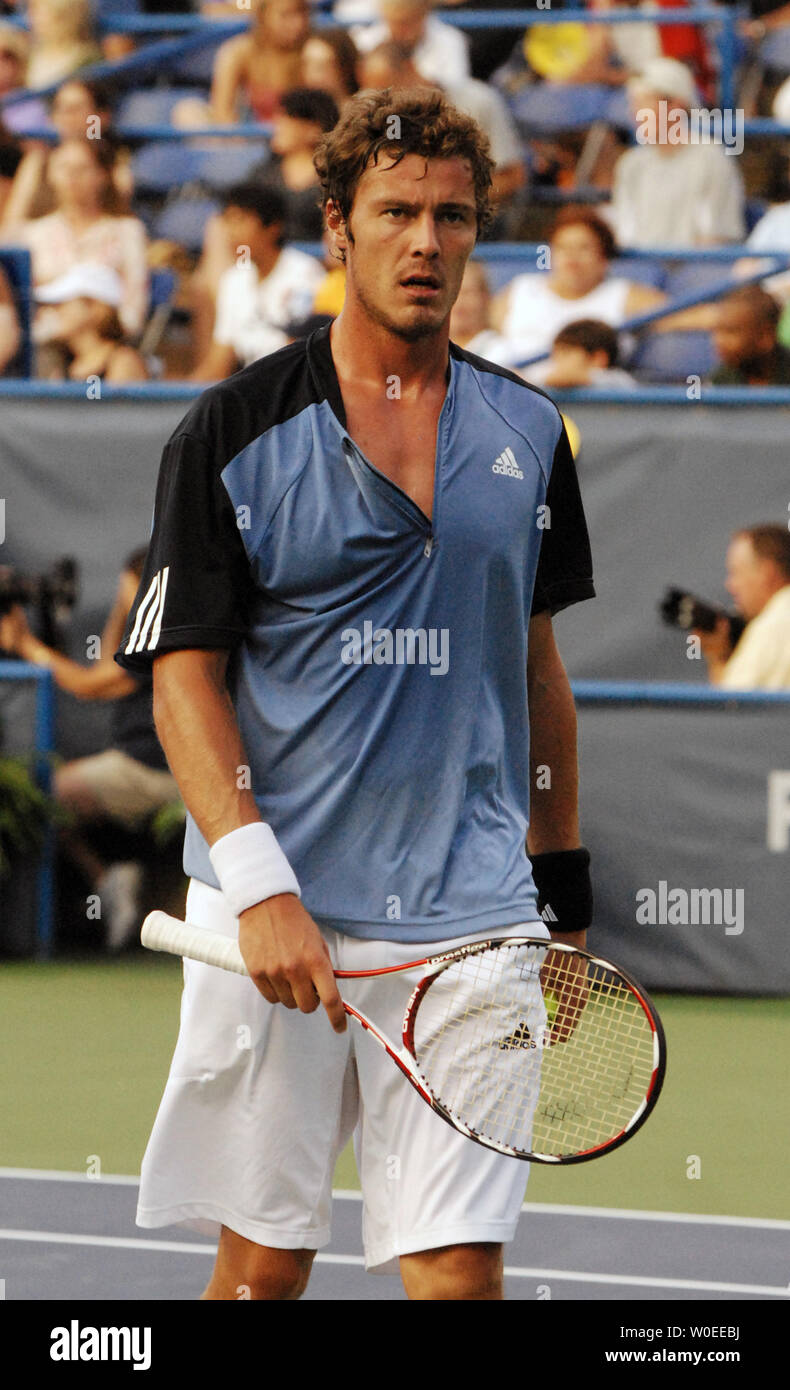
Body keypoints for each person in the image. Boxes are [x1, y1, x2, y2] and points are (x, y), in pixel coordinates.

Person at [115, 85, 595, 1301]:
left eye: (452, 216)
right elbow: (184, 683)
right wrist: (262, 881)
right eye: (395, 212)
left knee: (452, 1276)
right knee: (264, 1270)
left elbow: (535, 668)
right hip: (271, 907)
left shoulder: (532, 434)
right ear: (337, 224)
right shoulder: (226, 431)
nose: (425, 241)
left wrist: (562, 885)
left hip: (472, 914)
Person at [0, 548, 180, 950]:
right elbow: (105, 666)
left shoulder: (161, 632)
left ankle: (108, 883)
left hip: (155, 772)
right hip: (143, 766)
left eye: (130, 588)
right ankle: (111, 882)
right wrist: (122, 606)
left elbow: (88, 686)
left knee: (47, 794)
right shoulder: (145, 626)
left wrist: (28, 646)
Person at [4, 137, 149, 342]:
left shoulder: (128, 230)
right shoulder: (31, 233)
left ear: (102, 175)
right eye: (64, 168)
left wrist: (102, 327)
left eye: (82, 168)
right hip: (45, 343)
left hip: (108, 342)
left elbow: (134, 306)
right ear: (51, 175)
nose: (72, 177)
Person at [358, 41, 526, 215]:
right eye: (377, 96)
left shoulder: (479, 101)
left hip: (480, 220)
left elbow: (512, 178)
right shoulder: (375, 114)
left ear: (410, 68)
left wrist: (450, 205)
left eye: (389, 89)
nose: (386, 103)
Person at [491, 206, 666, 363]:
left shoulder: (624, 295)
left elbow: (685, 313)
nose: (572, 257)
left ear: (603, 258)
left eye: (584, 248)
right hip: (517, 389)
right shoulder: (522, 289)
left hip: (592, 395)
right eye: (563, 247)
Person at [191, 182, 323, 381]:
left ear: (272, 227)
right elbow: (220, 359)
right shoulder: (234, 280)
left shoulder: (305, 272)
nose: (232, 232)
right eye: (228, 221)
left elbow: (303, 353)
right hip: (252, 388)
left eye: (240, 220)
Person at [608, 57, 745, 248]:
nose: (634, 113)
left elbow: (716, 236)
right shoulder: (631, 162)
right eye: (634, 104)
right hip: (641, 269)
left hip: (694, 270)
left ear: (675, 106)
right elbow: (624, 232)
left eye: (643, 104)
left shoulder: (710, 158)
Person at [1, 78, 133, 229]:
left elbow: (113, 220)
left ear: (99, 117)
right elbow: (13, 222)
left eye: (75, 109)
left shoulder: (116, 170)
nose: (67, 117)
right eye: (60, 109)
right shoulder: (37, 162)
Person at [176, 0, 311, 128]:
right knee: (187, 112)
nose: (297, 24)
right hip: (249, 142)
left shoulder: (315, 53)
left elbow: (323, 115)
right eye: (286, 15)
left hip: (301, 141)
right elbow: (222, 112)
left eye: (302, 13)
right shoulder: (237, 51)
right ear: (263, 16)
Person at [695, 526, 790, 689]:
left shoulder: (771, 626)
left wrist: (718, 658)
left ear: (767, 573)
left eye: (736, 572)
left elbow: (732, 706)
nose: (730, 585)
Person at [33, 262, 148, 383]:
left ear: (95, 309)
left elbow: (109, 400)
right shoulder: (61, 367)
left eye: (60, 303)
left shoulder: (123, 362)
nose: (50, 310)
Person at [351, 0, 470, 86]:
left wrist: (413, 81)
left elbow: (456, 88)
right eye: (394, 22)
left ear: (423, 14)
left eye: (407, 21)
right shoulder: (366, 42)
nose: (401, 29)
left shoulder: (451, 40)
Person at [523, 318, 637, 390]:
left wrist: (525, 382)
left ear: (598, 358)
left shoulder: (617, 380)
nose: (556, 359)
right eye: (555, 353)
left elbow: (564, 378)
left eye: (565, 352)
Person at [710, 285, 790, 384]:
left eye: (731, 331)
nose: (718, 340)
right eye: (717, 330)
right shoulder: (719, 381)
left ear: (765, 336)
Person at [25, 0, 102, 91]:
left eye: (37, 11)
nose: (30, 18)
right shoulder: (31, 54)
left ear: (61, 16)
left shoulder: (87, 60)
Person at [300, 27, 359, 110]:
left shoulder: (359, 113)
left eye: (322, 67)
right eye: (306, 65)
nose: (312, 76)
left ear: (344, 69)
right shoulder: (298, 113)